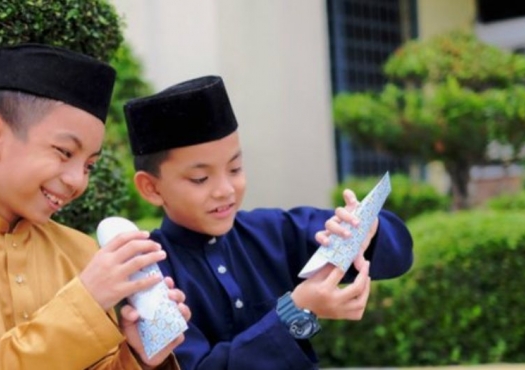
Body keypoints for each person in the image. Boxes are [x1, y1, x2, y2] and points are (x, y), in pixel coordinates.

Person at [0, 44, 190, 370]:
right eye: (64, 152)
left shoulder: (80, 250)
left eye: (89, 165)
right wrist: (85, 302)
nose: (78, 180)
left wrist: (137, 356)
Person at [122, 75, 414, 369]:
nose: (226, 189)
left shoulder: (273, 230)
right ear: (152, 187)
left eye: (235, 168)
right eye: (201, 178)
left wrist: (364, 229)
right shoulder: (150, 274)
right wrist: (295, 311)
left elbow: (398, 252)